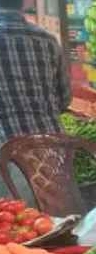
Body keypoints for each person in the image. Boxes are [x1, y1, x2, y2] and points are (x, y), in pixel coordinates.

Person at [0, 0, 71, 203]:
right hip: (52, 149)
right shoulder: (47, 39)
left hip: (6, 153)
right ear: (23, 4)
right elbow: (64, 99)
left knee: (17, 217)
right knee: (59, 213)